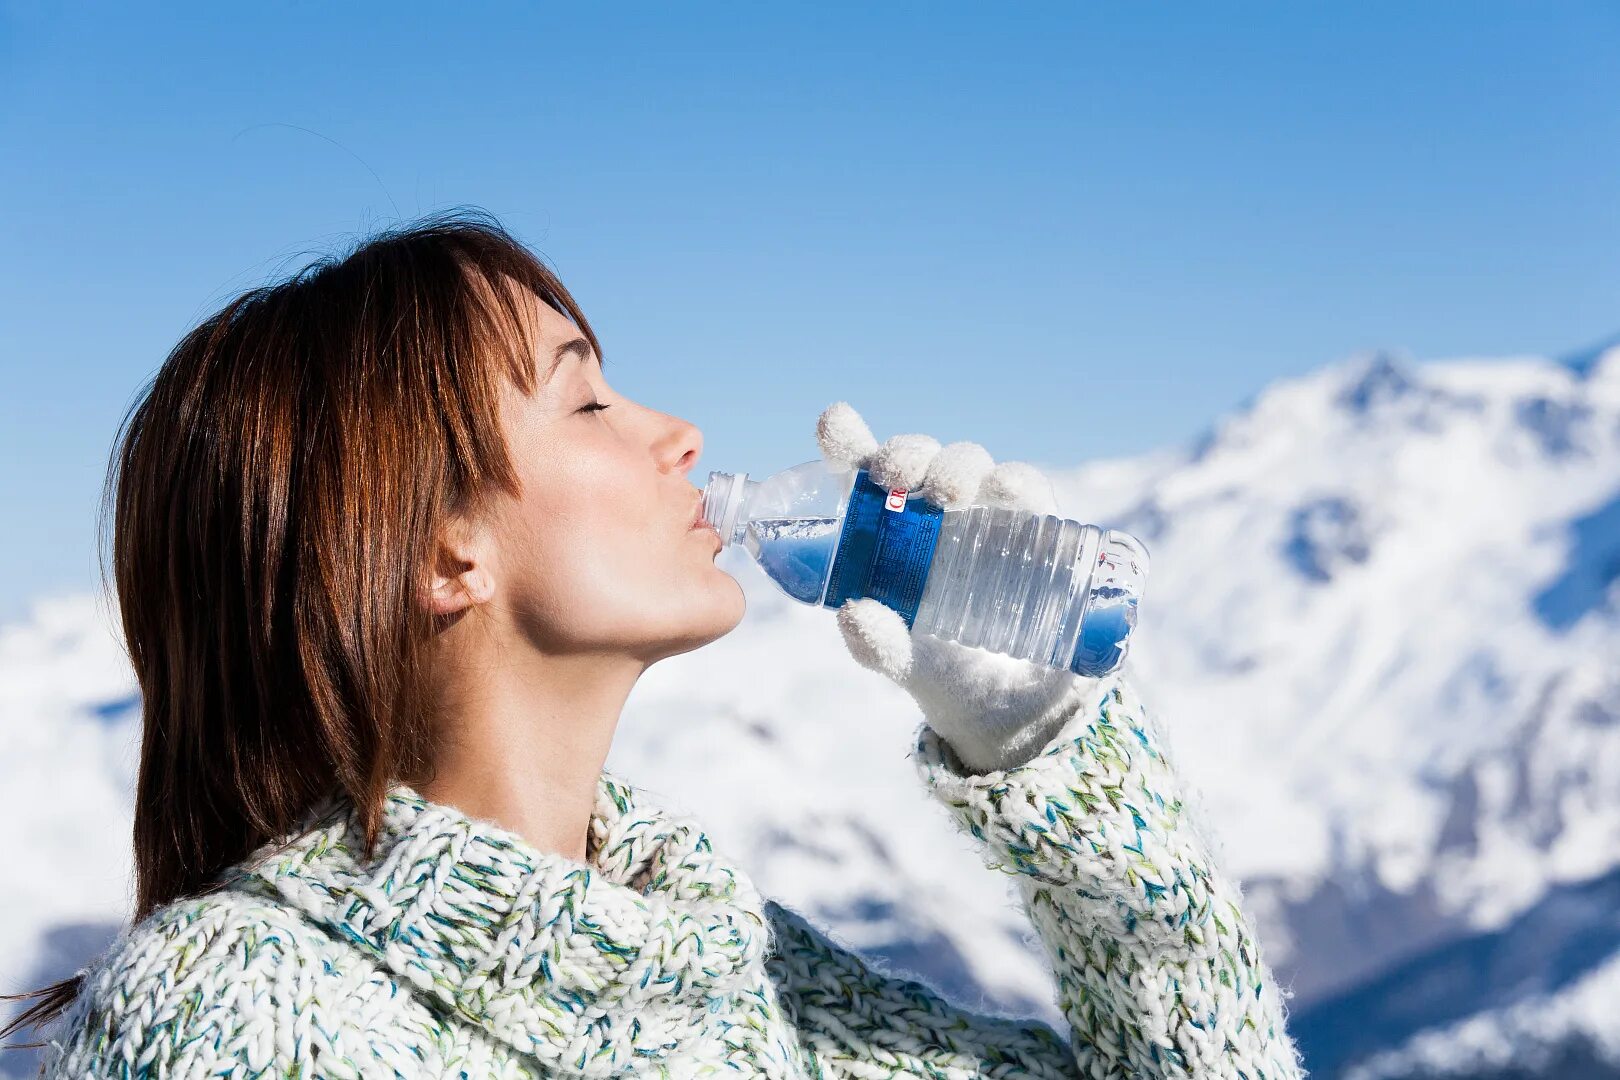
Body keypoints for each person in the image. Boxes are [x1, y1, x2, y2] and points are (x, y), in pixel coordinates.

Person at [1, 208, 1307, 1078]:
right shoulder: (235, 1022)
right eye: (587, 397)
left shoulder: (747, 978)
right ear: (444, 551)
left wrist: (1043, 745)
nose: (678, 430)